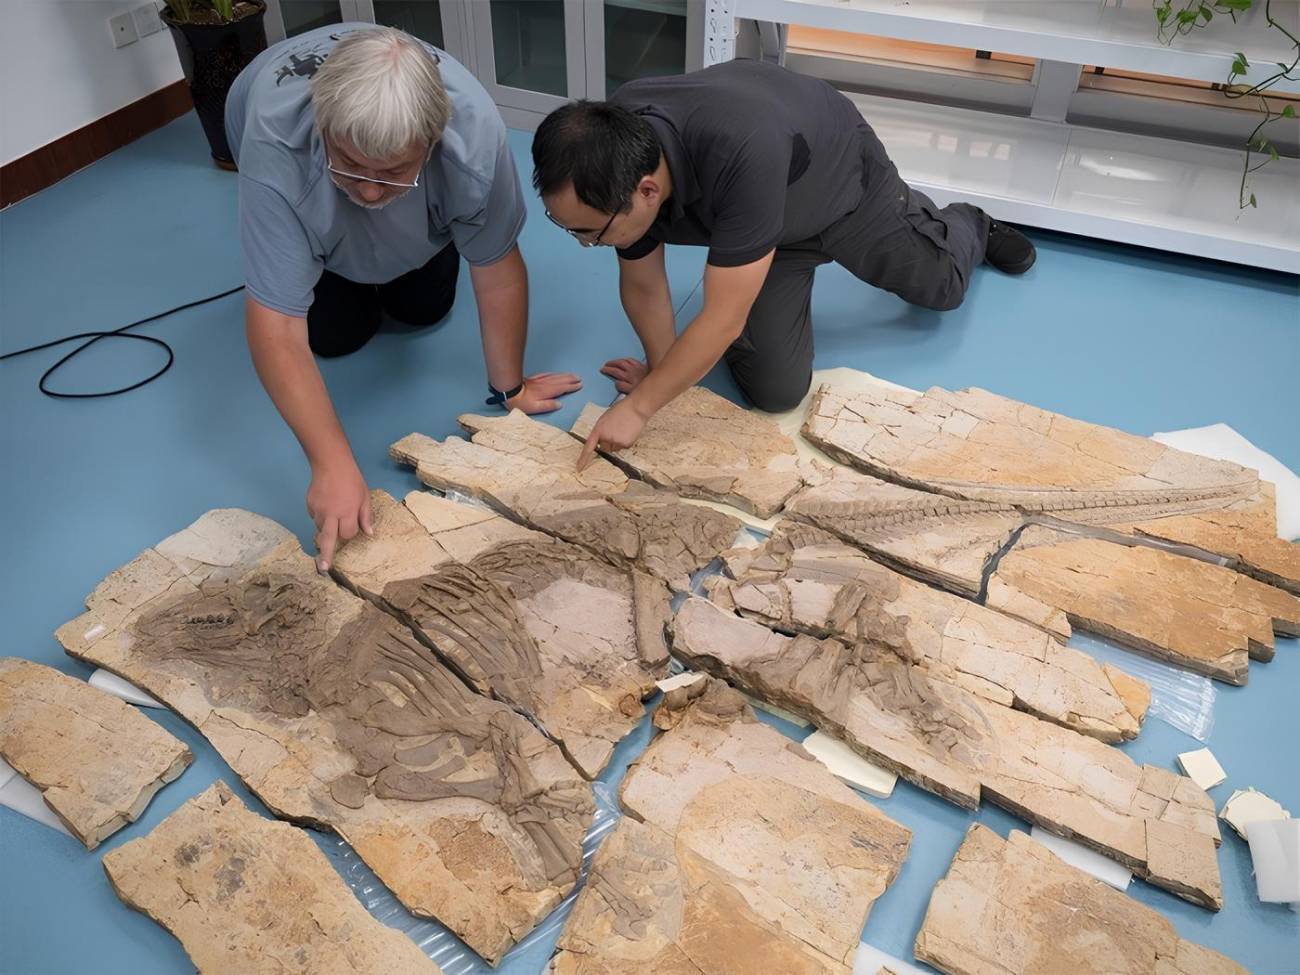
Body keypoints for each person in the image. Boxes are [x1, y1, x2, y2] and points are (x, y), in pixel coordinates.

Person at [531, 59, 1035, 469]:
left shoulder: (739, 153)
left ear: (647, 191)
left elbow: (722, 318)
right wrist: (662, 377)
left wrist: (641, 408)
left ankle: (970, 223)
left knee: (942, 287)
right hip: (762, 220)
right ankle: (751, 269)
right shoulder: (613, 148)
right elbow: (643, 285)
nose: (585, 244)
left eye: (591, 233)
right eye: (570, 228)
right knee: (776, 392)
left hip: (839, 187)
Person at [225, 25, 579, 570]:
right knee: (335, 337)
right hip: (283, 141)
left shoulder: (473, 137)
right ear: (323, 131)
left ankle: (389, 209)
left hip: (421, 193)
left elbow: (497, 267)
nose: (369, 191)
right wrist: (331, 463)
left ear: (432, 144)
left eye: (392, 173)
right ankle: (341, 243)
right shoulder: (275, 144)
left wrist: (510, 388)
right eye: (351, 167)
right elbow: (278, 328)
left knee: (424, 308)